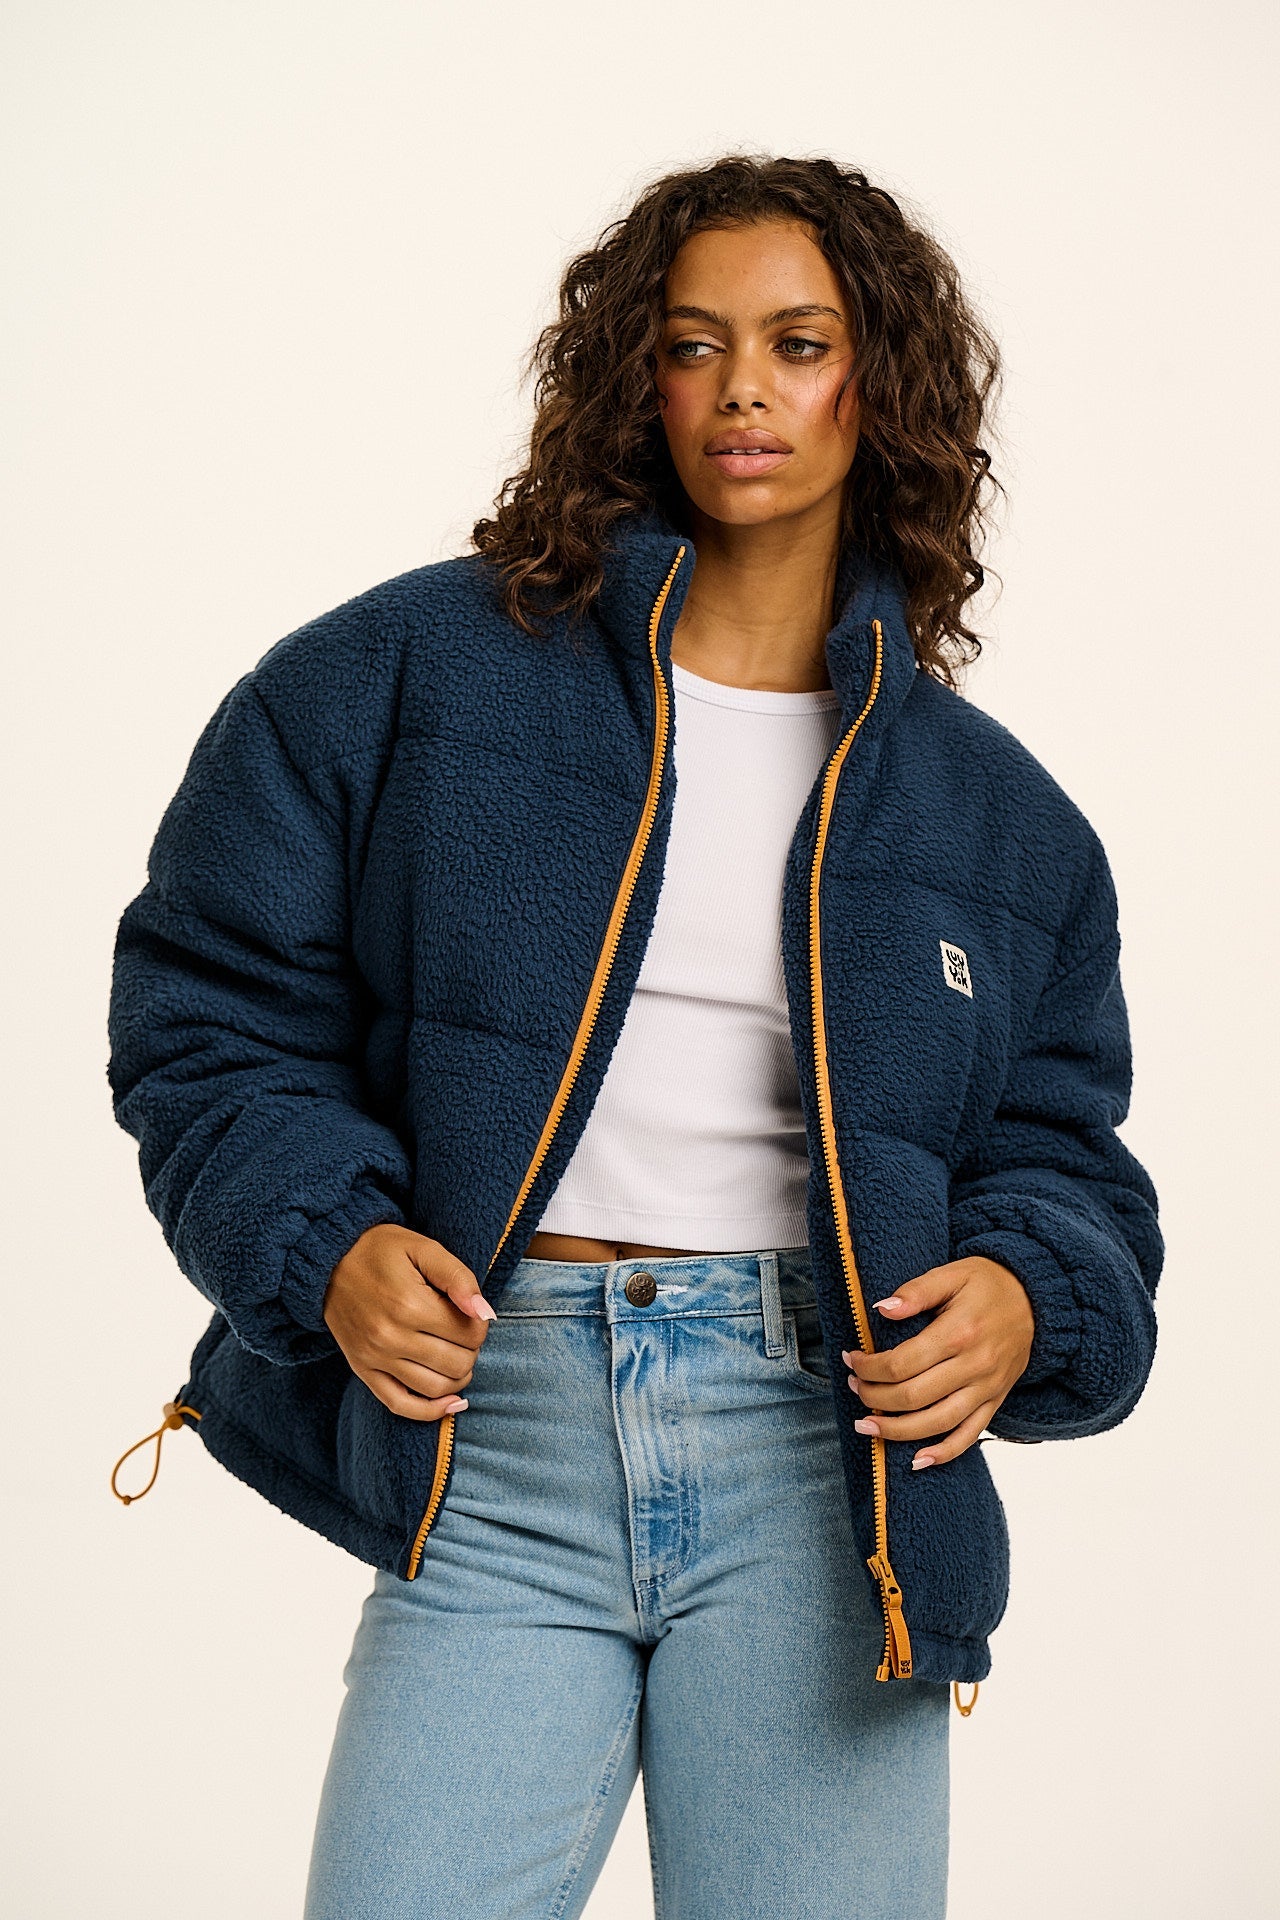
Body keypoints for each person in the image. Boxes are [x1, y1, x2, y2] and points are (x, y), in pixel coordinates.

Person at [107, 154, 1163, 1919]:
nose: (744, 388)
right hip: (494, 1432)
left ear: (881, 387)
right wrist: (328, 1240)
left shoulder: (1003, 825)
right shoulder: (397, 678)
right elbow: (206, 1007)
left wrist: (1025, 1293)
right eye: (693, 344)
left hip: (824, 1467)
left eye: (800, 344)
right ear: (634, 380)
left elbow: (1067, 1165)